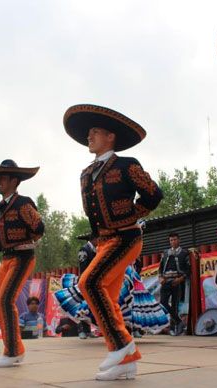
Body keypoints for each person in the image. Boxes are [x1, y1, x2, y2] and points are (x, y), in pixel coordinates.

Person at [63, 104, 163, 380]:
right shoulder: (85, 173)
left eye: (95, 132)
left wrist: (130, 217)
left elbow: (154, 195)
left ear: (110, 137)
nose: (89, 136)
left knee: (89, 282)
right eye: (89, 133)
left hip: (126, 237)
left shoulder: (127, 165)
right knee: (106, 296)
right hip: (103, 242)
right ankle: (125, 363)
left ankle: (123, 344)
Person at [0, 159, 45, 368]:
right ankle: (11, 349)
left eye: (2, 178)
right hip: (6, 257)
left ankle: (14, 351)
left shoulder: (23, 203)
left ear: (14, 180)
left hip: (22, 256)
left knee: (5, 300)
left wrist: (24, 241)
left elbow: (38, 229)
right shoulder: (0, 208)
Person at [159, 232, 190, 336]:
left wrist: (180, 279)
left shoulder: (184, 253)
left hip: (177, 281)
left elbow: (188, 270)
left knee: (175, 305)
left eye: (175, 239)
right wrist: (160, 277)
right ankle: (179, 322)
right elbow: (160, 268)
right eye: (171, 240)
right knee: (163, 302)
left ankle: (174, 328)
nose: (173, 242)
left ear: (179, 240)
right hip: (165, 281)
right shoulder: (165, 253)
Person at [76, 238, 97, 339]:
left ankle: (88, 330)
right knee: (83, 305)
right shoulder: (84, 249)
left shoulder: (95, 249)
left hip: (93, 281)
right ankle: (82, 330)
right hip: (85, 280)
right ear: (95, 238)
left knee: (90, 306)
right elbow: (83, 266)